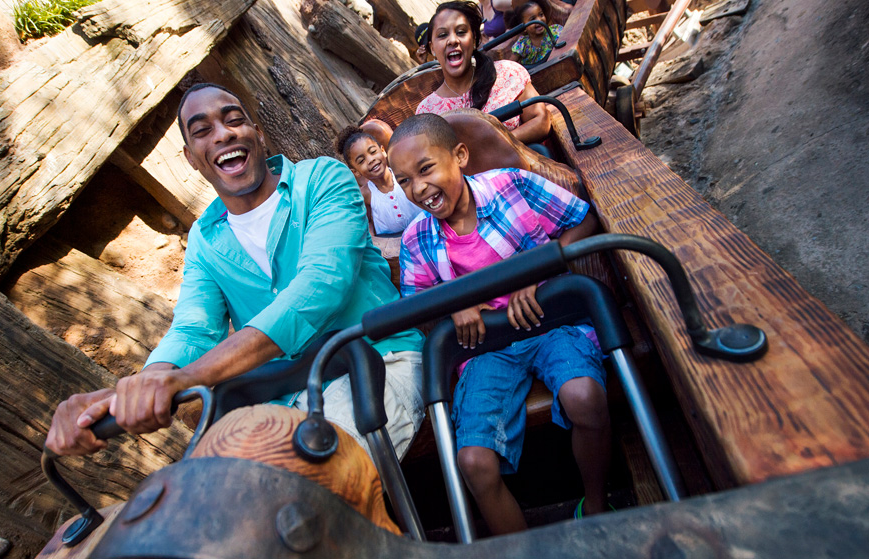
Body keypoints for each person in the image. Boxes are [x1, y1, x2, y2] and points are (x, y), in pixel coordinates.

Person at [45, 83, 426, 461]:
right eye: (202, 130)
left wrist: (188, 378)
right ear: (191, 157)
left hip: (377, 362)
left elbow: (320, 287)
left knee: (299, 483)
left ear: (258, 135)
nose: (223, 134)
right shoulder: (205, 239)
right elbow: (194, 329)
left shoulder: (323, 180)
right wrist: (141, 387)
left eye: (233, 121)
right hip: (281, 396)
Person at [388, 113, 609, 535]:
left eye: (426, 169)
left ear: (460, 156)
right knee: (473, 462)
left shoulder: (513, 186)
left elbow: (584, 219)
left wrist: (535, 270)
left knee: (584, 397)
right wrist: (453, 303)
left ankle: (596, 510)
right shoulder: (416, 239)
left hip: (550, 322)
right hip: (487, 349)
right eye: (404, 182)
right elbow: (416, 308)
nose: (418, 189)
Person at [415, 0, 551, 146]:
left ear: (473, 40)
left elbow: (541, 120)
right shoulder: (427, 112)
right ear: (433, 48)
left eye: (461, 32)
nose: (453, 40)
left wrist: (497, 143)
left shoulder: (508, 73)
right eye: (442, 35)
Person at [335, 125, 423, 235]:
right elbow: (367, 225)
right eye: (361, 161)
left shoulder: (405, 175)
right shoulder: (365, 195)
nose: (371, 160)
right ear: (355, 172)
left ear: (383, 151)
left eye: (373, 152)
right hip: (394, 248)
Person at [509, 0, 564, 66]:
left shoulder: (554, 31)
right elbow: (510, 64)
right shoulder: (523, 44)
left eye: (541, 14)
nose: (539, 20)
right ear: (524, 28)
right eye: (532, 19)